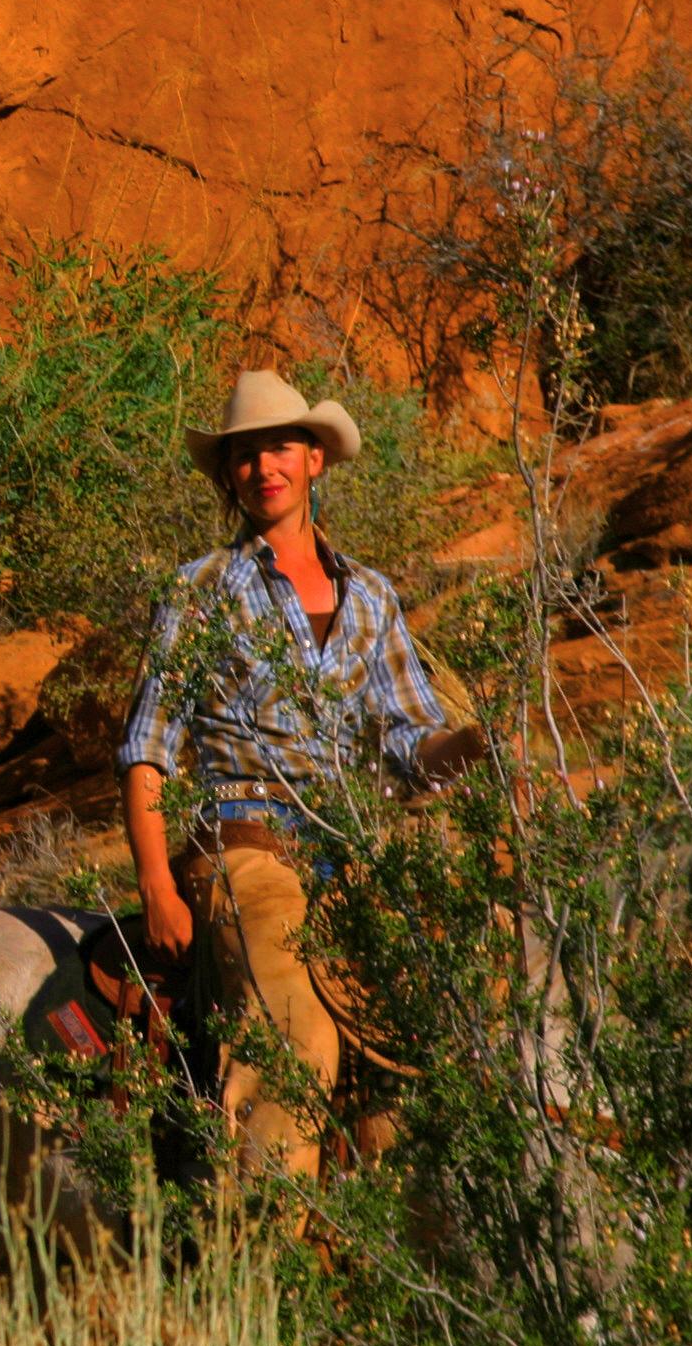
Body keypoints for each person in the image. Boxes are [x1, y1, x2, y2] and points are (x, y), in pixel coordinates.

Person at [119, 370, 467, 1181]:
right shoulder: (200, 589)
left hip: (353, 862)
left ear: (316, 460)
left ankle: (381, 1266)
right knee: (297, 1040)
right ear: (230, 475)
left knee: (410, 1044)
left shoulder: (372, 598)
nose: (262, 466)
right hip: (243, 855)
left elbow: (409, 739)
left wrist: (469, 744)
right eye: (243, 455)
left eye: (280, 447)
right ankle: (263, 1267)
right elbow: (148, 746)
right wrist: (157, 886)